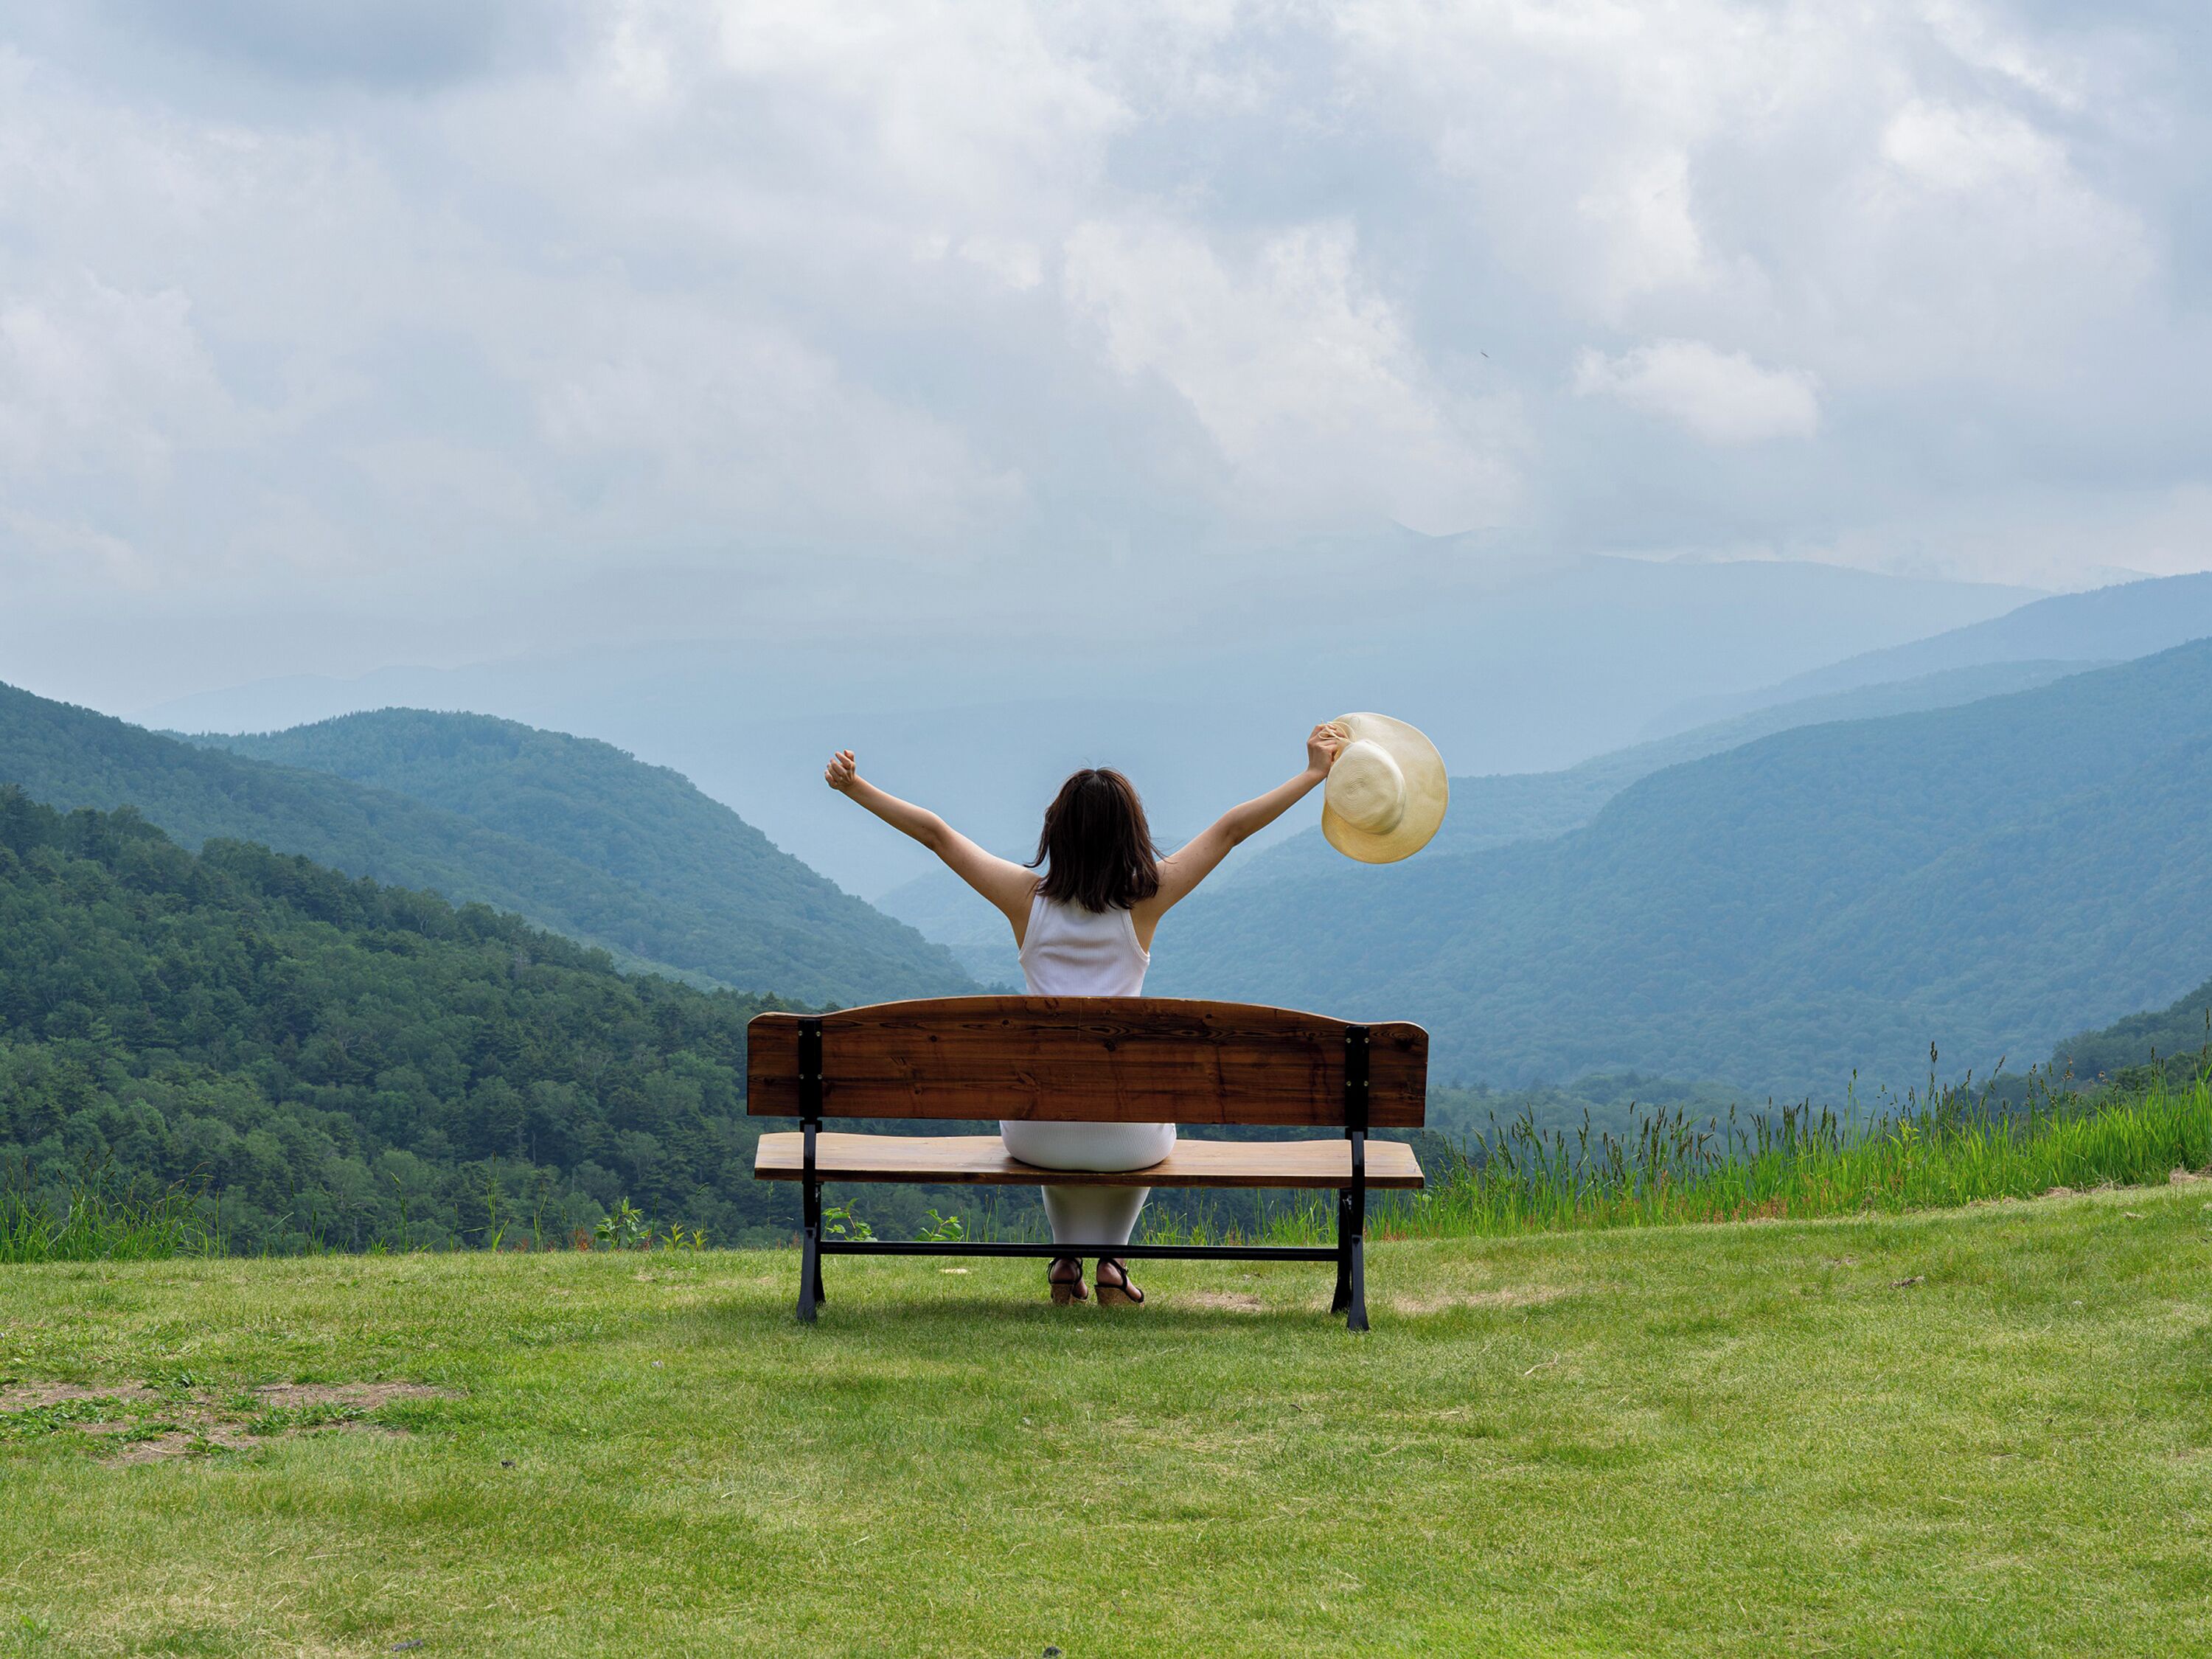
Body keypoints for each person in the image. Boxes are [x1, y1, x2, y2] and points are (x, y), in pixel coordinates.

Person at [823, 723, 1346, 1307]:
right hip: (1129, 1139)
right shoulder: (1147, 899)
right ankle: (1112, 1266)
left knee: (1049, 1097)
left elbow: (937, 836)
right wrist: (1313, 774)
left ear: (1057, 832)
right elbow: (1230, 831)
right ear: (1132, 834)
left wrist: (856, 788)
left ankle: (1066, 1260)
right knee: (1143, 1116)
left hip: (1034, 1132)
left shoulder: (1024, 900)